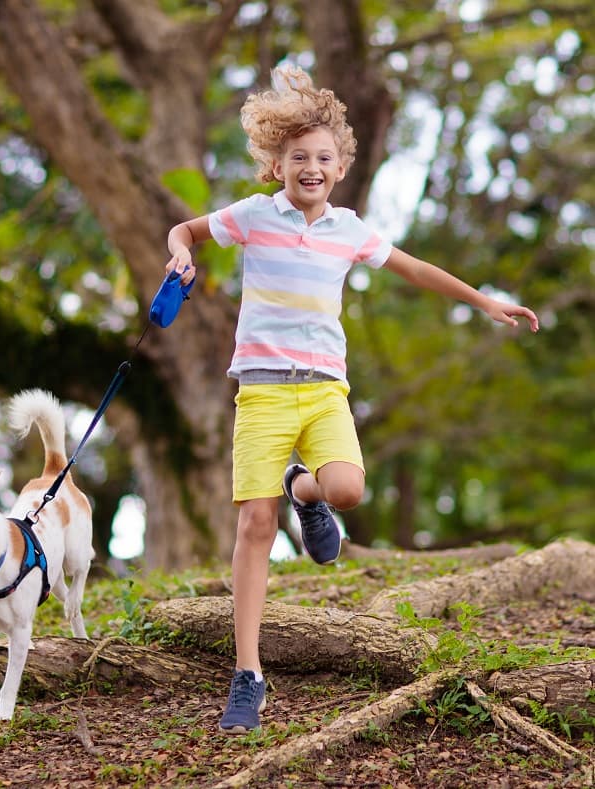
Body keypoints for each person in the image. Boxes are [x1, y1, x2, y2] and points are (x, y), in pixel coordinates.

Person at [165, 64, 539, 735]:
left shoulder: (347, 230)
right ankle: (247, 674)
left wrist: (481, 298)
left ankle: (301, 491)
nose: (310, 167)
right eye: (298, 157)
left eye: (322, 158)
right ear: (276, 163)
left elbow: (414, 268)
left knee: (346, 491)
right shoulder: (251, 217)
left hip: (325, 391)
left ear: (339, 168)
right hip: (261, 393)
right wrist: (180, 258)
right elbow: (185, 231)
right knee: (253, 524)